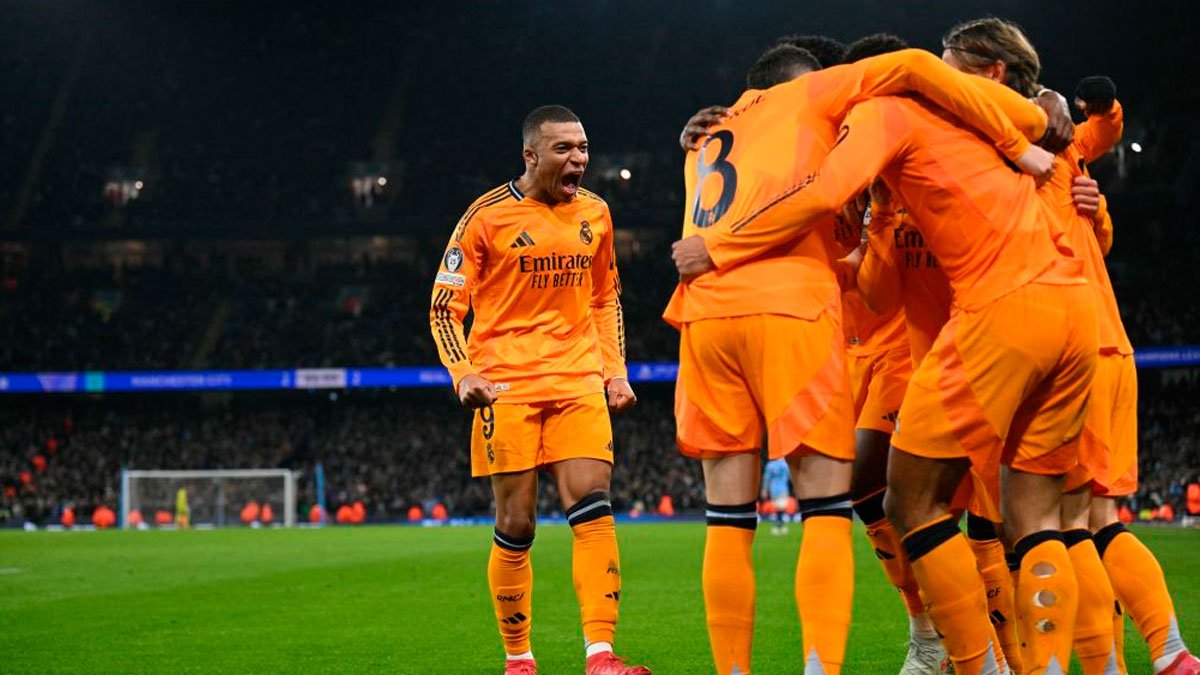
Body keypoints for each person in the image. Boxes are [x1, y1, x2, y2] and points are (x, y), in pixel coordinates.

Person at [671, 38, 1101, 673]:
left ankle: (969, 657)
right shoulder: (849, 128)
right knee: (1033, 519)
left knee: (889, 506)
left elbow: (832, 198)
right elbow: (871, 275)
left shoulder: (758, 131)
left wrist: (1038, 115)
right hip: (1057, 309)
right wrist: (1030, 123)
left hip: (728, 314)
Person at [430, 105, 647, 675]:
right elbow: (444, 307)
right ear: (530, 155)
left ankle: (601, 655)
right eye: (564, 149)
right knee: (517, 525)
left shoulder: (596, 213)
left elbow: (604, 297)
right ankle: (519, 659)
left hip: (578, 379)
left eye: (583, 147)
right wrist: (464, 373)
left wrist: (615, 371)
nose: (579, 159)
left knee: (594, 510)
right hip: (507, 386)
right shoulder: (485, 217)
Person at [761, 458, 792, 535]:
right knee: (781, 508)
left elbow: (766, 479)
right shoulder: (785, 464)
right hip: (784, 489)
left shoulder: (770, 465)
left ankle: (779, 525)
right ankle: (780, 525)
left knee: (778, 508)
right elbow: (791, 476)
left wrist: (764, 490)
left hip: (774, 489)